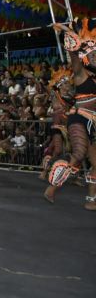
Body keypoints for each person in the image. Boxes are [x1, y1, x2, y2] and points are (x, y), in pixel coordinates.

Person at [44, 20, 96, 210]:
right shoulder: (81, 73)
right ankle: (51, 188)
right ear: (86, 57)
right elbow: (74, 55)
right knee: (78, 154)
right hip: (80, 118)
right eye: (92, 54)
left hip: (94, 123)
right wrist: (67, 30)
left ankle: (91, 201)